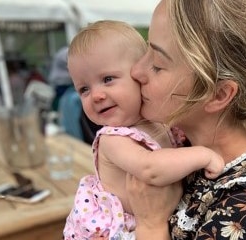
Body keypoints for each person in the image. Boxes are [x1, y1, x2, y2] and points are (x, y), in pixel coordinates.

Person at [121, 0, 246, 239]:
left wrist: (151, 224)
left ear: (218, 95)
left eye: (157, 65)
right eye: (146, 49)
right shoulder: (178, 146)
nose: (136, 71)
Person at [63, 20, 224, 240]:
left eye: (107, 79)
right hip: (119, 232)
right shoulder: (112, 139)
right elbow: (150, 168)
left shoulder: (159, 122)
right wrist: (204, 155)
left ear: (138, 75)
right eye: (84, 89)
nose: (96, 95)